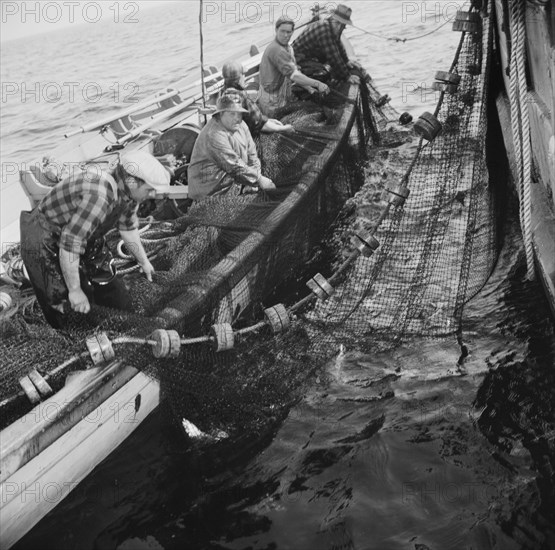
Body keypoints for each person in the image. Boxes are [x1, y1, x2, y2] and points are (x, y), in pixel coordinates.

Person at [20, 150, 172, 327]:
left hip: (82, 234)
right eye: (149, 189)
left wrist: (144, 262)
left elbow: (128, 230)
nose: (152, 195)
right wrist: (75, 290)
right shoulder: (100, 195)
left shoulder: (130, 195)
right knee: (66, 308)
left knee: (114, 296)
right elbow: (70, 245)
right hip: (44, 237)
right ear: (132, 181)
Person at [187, 93, 275, 200]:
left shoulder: (242, 125)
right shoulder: (213, 134)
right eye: (232, 114)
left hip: (232, 182)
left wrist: (252, 182)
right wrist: (259, 179)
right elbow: (233, 164)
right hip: (210, 191)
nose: (237, 118)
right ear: (220, 115)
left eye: (239, 114)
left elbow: (252, 154)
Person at [257, 16, 330, 116]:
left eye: (289, 32)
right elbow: (295, 76)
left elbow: (295, 74)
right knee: (313, 110)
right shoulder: (277, 50)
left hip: (283, 96)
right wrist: (318, 84)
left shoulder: (289, 48)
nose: (285, 35)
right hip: (271, 104)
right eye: (282, 31)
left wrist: (310, 89)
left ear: (292, 32)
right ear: (276, 30)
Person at [291, 4, 360, 85]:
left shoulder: (333, 27)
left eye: (342, 25)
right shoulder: (324, 29)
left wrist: (346, 61)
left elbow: (338, 44)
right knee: (324, 74)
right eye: (337, 23)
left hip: (309, 57)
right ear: (332, 18)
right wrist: (347, 77)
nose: (339, 27)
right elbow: (333, 56)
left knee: (333, 68)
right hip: (296, 59)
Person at [221, 60, 294, 136]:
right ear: (239, 78)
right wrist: (284, 128)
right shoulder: (241, 98)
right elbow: (260, 125)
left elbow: (255, 120)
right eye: (243, 74)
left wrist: (268, 120)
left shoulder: (222, 94)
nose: (244, 77)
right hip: (244, 139)